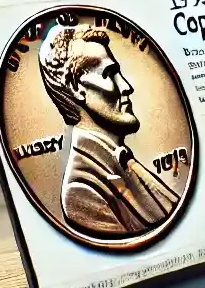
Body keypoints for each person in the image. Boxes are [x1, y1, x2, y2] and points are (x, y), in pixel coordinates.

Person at [36, 24, 176, 235]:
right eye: (110, 74)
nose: (127, 86)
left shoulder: (123, 162)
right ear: (76, 88)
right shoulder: (81, 190)